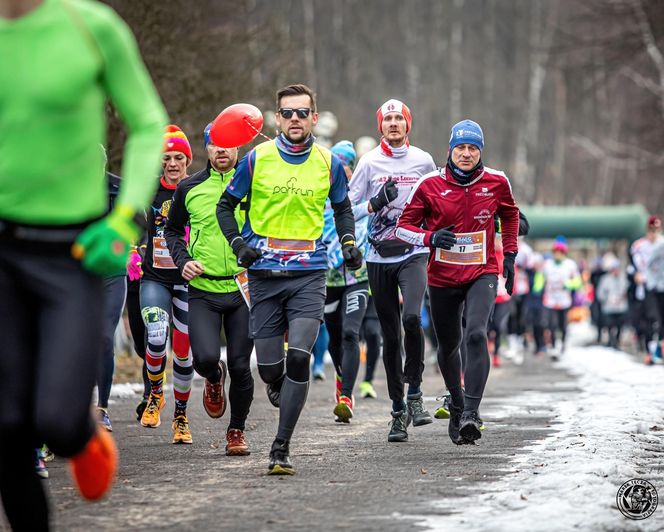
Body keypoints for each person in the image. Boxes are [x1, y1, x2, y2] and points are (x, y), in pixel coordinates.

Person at [0, 0, 167, 528]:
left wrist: (124, 217)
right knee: (6, 425)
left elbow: (147, 123)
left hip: (71, 251)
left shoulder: (89, 25)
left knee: (57, 418)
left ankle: (83, 433)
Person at [216, 84, 361, 474]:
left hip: (308, 275)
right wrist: (238, 245)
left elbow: (343, 208)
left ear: (314, 117)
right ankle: (276, 383)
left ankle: (281, 447)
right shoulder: (256, 159)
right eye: (287, 113)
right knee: (269, 369)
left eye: (302, 113)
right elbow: (225, 206)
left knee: (299, 356)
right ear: (277, 118)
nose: (295, 119)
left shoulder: (328, 163)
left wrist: (347, 241)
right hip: (263, 276)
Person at [397, 119, 519, 444]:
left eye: (473, 148)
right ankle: (457, 401)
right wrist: (431, 237)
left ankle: (472, 413)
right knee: (448, 345)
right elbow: (402, 227)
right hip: (442, 276)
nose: (466, 154)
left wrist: (510, 254)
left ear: (481, 151)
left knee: (477, 334)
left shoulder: (496, 181)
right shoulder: (429, 184)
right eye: (460, 148)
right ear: (450, 150)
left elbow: (510, 214)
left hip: (482, 272)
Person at [349, 99, 436, 443]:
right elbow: (346, 209)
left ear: (408, 124)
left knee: (412, 319)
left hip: (414, 252)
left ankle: (415, 392)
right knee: (390, 335)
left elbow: (437, 201)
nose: (394, 124)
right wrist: (374, 203)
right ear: (380, 126)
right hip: (378, 256)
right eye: (389, 119)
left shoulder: (424, 161)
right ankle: (398, 410)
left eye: (400, 118)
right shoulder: (369, 162)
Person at [164, 123, 254, 455]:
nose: (221, 150)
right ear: (207, 148)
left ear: (238, 149)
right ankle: (214, 377)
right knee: (203, 359)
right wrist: (182, 258)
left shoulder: (252, 185)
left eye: (227, 145)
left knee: (243, 365)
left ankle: (236, 431)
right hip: (202, 288)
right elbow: (172, 232)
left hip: (242, 288)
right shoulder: (189, 187)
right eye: (214, 144)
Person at [138, 125, 195, 445]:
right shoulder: (149, 191)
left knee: (185, 355)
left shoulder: (196, 188)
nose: (172, 163)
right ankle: (155, 394)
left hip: (188, 282)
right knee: (157, 334)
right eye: (166, 158)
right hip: (155, 278)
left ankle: (181, 416)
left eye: (178, 157)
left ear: (187, 159)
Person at [322, 140, 369, 422]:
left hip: (357, 276)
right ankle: (341, 375)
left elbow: (371, 215)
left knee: (352, 333)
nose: (344, 171)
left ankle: (346, 396)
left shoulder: (359, 197)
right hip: (326, 278)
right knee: (335, 337)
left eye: (347, 165)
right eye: (338, 165)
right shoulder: (317, 197)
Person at [96, 168, 128, 432]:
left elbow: (138, 224)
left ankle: (102, 408)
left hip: (112, 274)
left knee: (105, 337)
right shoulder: (64, 189)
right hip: (77, 275)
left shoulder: (119, 188)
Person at [539, 236, 582, 358]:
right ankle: (552, 346)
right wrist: (538, 287)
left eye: (560, 253)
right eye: (555, 253)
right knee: (551, 324)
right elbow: (540, 278)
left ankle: (563, 344)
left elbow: (578, 282)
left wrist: (568, 284)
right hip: (550, 300)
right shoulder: (547, 264)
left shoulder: (570, 265)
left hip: (564, 300)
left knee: (563, 325)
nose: (557, 255)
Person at [596, 256, 629, 349]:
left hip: (620, 307)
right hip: (609, 307)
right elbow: (600, 293)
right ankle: (611, 340)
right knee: (610, 325)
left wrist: (622, 297)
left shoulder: (623, 278)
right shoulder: (605, 279)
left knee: (619, 325)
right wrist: (607, 299)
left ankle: (617, 340)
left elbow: (626, 290)